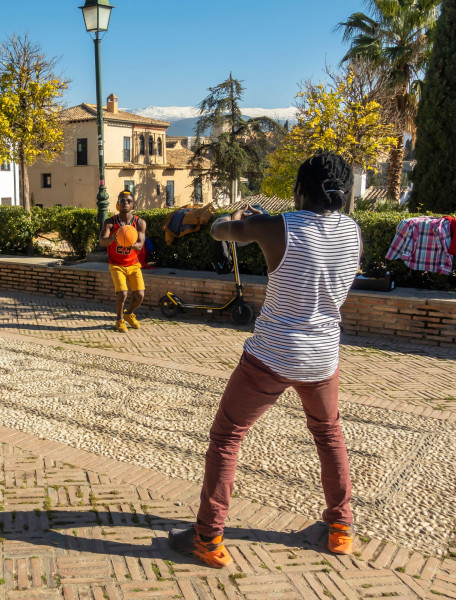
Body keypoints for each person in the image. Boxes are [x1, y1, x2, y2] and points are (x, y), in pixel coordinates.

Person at [168, 152, 361, 568]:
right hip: (322, 357)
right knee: (329, 435)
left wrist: (244, 218)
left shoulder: (277, 226)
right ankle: (340, 528)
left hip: (272, 355)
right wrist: (261, 223)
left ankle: (207, 536)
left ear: (300, 189)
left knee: (226, 437)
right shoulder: (352, 231)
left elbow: (222, 230)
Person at [99, 190, 147, 332]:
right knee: (123, 293)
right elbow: (102, 242)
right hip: (116, 264)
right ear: (118, 204)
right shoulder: (109, 222)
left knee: (140, 295)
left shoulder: (139, 223)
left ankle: (129, 314)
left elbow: (139, 246)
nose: (125, 203)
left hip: (133, 263)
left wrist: (128, 242)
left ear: (133, 205)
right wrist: (113, 238)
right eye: (122, 201)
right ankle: (119, 320)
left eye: (128, 201)